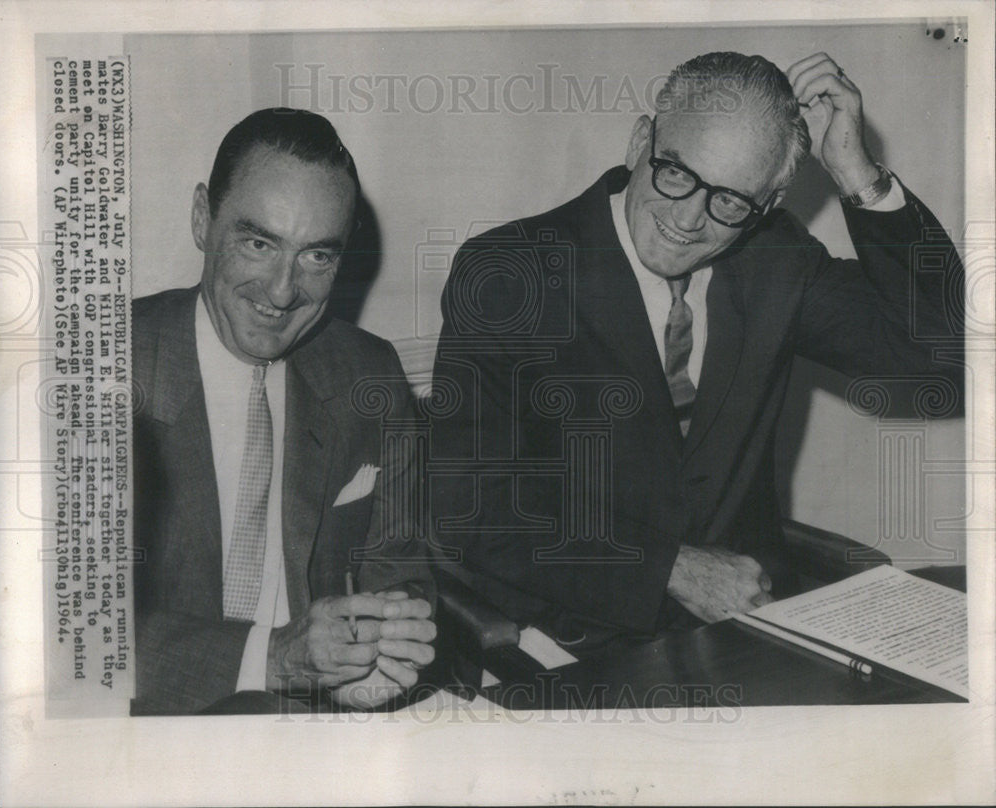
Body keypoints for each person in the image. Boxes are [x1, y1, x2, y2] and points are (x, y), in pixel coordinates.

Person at [430, 52, 963, 654]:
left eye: (732, 201)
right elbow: (469, 506)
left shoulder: (777, 261)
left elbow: (939, 351)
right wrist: (671, 568)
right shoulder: (508, 275)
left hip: (751, 630)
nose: (687, 220)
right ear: (640, 142)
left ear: (770, 201)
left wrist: (858, 175)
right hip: (573, 637)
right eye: (676, 173)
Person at [132, 108, 436, 715]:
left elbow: (402, 569)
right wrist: (267, 658)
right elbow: (60, 638)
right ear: (202, 218)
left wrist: (379, 651)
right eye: (258, 243)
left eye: (317, 257)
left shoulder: (369, 375)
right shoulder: (97, 370)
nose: (282, 291)